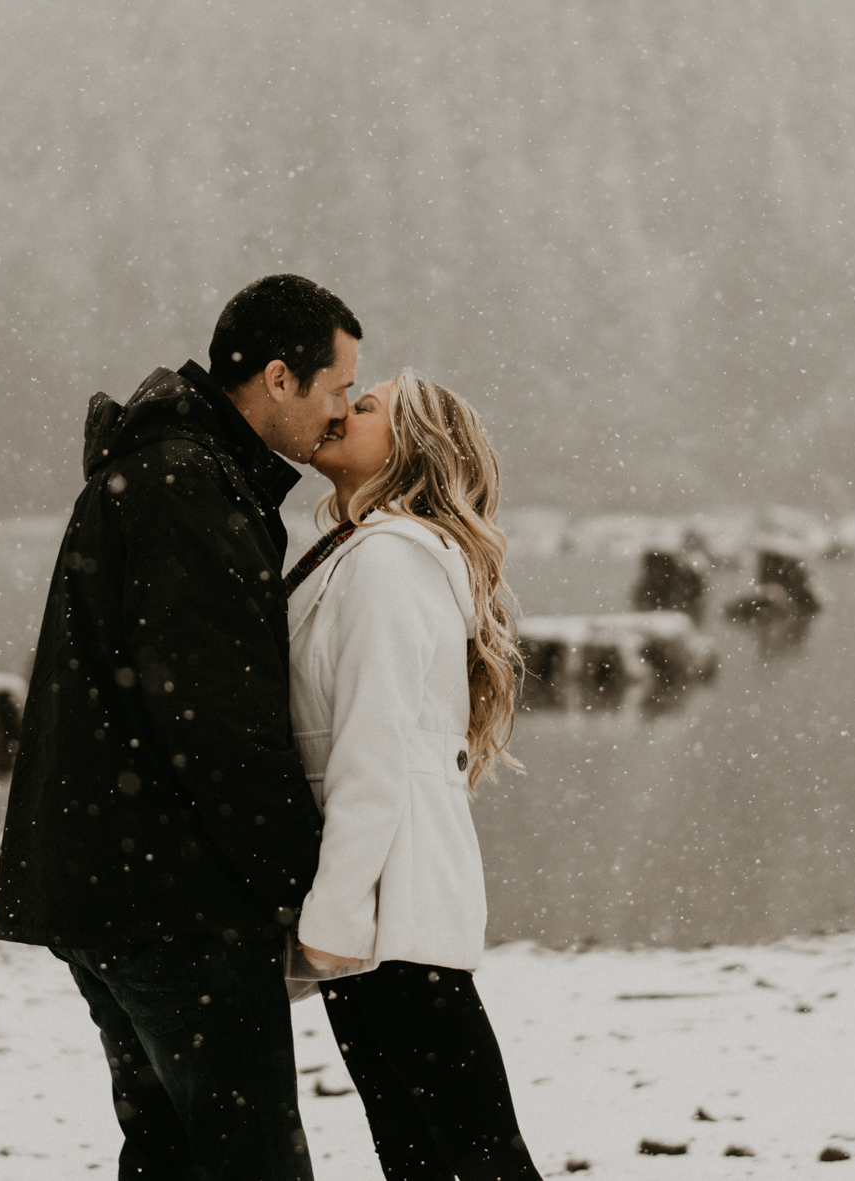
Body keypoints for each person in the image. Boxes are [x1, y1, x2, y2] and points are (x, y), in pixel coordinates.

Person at [0, 274, 361, 1180]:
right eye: (338, 386)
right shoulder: (187, 486)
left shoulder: (170, 468)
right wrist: (308, 885)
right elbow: (217, 726)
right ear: (279, 378)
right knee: (248, 1160)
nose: (343, 410)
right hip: (167, 903)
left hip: (110, 887)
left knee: (170, 1153)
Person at [282, 368, 542, 1180]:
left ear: (412, 450)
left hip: (388, 910)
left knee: (470, 1155)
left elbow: (374, 750)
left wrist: (328, 915)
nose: (340, 411)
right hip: (379, 911)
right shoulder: (358, 552)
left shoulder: (390, 561)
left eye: (365, 408)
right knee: (424, 1154)